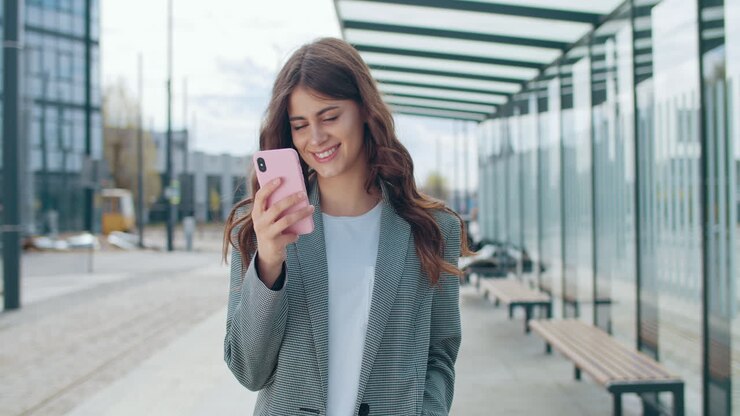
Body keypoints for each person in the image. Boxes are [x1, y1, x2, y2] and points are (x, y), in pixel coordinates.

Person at [222, 37, 471, 416]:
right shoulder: (263, 229)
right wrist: (269, 261)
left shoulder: (432, 230)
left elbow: (439, 354)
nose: (316, 138)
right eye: (300, 125)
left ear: (364, 111)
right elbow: (247, 370)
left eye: (330, 116)